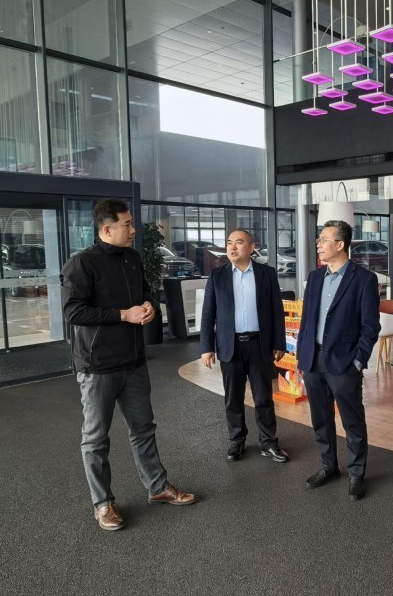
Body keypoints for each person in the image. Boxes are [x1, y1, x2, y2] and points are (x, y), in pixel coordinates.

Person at [61, 199, 196, 532]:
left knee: (144, 429)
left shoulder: (133, 258)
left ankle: (158, 487)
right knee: (96, 438)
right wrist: (124, 314)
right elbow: (73, 311)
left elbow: (145, 292)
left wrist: (149, 305)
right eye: (127, 224)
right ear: (107, 229)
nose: (134, 230)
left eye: (133, 223)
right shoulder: (82, 263)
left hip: (134, 362)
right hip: (97, 367)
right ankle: (103, 503)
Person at [297, 220, 380, 501]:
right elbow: (306, 321)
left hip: (344, 363)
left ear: (341, 244)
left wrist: (357, 362)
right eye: (319, 239)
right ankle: (328, 466)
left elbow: (370, 326)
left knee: (352, 421)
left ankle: (357, 474)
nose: (319, 244)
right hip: (313, 360)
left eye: (324, 239)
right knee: (320, 419)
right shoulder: (315, 278)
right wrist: (302, 358)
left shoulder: (364, 279)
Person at [199, 229, 289, 464]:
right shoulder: (217, 275)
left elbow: (276, 311)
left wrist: (279, 342)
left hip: (260, 345)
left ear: (251, 247)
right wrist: (206, 347)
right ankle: (237, 440)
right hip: (230, 346)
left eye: (239, 242)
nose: (232, 247)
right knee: (233, 398)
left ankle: (268, 442)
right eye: (229, 242)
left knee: (263, 397)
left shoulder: (266, 274)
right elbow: (208, 313)